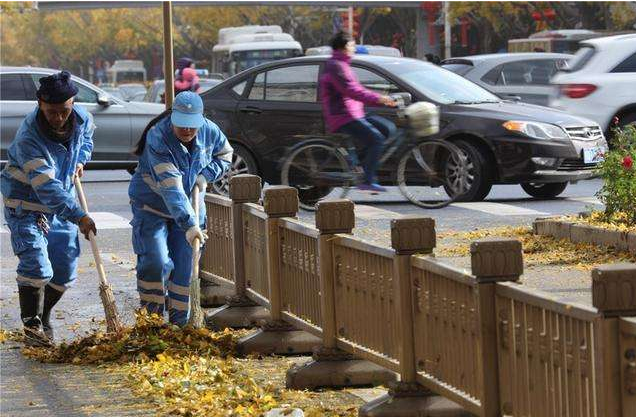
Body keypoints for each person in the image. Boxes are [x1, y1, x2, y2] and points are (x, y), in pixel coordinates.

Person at [0, 71, 97, 345]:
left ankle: (44, 315)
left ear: (73, 104)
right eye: (52, 112)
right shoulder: (29, 139)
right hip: (27, 206)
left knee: (65, 271)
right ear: (40, 104)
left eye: (64, 111)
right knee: (37, 266)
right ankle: (32, 327)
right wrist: (79, 215)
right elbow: (47, 188)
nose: (58, 118)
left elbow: (87, 140)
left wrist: (80, 159)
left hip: (60, 206)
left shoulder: (82, 119)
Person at [128, 91, 233, 326]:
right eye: (182, 125)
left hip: (192, 211)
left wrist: (206, 175)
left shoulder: (210, 130)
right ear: (172, 117)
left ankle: (180, 325)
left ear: (201, 119)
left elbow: (225, 155)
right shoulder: (158, 137)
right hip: (152, 207)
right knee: (156, 261)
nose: (187, 131)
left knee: (185, 269)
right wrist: (189, 224)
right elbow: (171, 187)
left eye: (192, 126)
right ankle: (152, 322)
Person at [320, 31, 397, 192]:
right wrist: (379, 99)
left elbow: (357, 90)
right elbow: (352, 91)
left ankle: (361, 164)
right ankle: (368, 180)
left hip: (354, 112)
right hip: (342, 115)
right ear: (343, 47)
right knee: (376, 140)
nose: (354, 48)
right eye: (352, 45)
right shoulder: (336, 66)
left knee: (388, 129)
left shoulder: (343, 65)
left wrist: (382, 99)